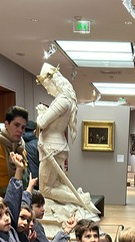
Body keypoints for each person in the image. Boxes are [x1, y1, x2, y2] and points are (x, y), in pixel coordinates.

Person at [36, 63, 98, 215]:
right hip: (56, 146)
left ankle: (81, 200)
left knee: (45, 189)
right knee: (55, 184)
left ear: (53, 82)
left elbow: (42, 123)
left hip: (52, 147)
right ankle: (79, 201)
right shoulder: (67, 100)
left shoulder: (62, 100)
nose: (47, 90)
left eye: (47, 86)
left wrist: (40, 112)